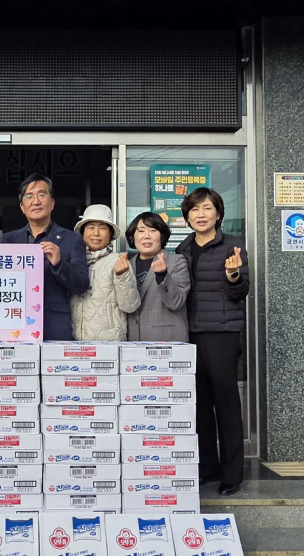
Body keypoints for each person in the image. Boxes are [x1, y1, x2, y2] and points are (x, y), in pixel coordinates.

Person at [175, 187, 250, 497]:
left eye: (207, 208)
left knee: (226, 404)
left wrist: (233, 275)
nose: (201, 215)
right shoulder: (182, 248)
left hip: (222, 334)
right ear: (187, 216)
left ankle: (232, 475)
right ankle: (208, 468)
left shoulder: (232, 246)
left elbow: (240, 291)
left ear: (218, 213)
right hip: (190, 334)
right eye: (194, 209)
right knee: (200, 405)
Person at [0, 174, 90, 341]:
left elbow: (81, 286)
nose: (36, 201)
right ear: (22, 207)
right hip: (15, 324)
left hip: (55, 326)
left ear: (52, 203)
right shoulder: (9, 239)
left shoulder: (72, 240)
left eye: (42, 195)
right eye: (29, 196)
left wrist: (59, 264)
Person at [69, 204, 139, 341]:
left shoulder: (118, 261)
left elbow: (130, 306)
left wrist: (123, 276)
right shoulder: (73, 261)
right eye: (90, 227)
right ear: (83, 232)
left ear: (110, 234)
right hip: (74, 343)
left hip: (108, 343)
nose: (96, 233)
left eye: (102, 228)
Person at [124, 212, 190, 342]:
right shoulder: (127, 265)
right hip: (133, 343)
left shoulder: (176, 261)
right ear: (133, 236)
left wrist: (162, 276)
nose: (146, 236)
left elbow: (176, 302)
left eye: (153, 230)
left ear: (162, 235)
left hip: (167, 341)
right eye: (141, 231)